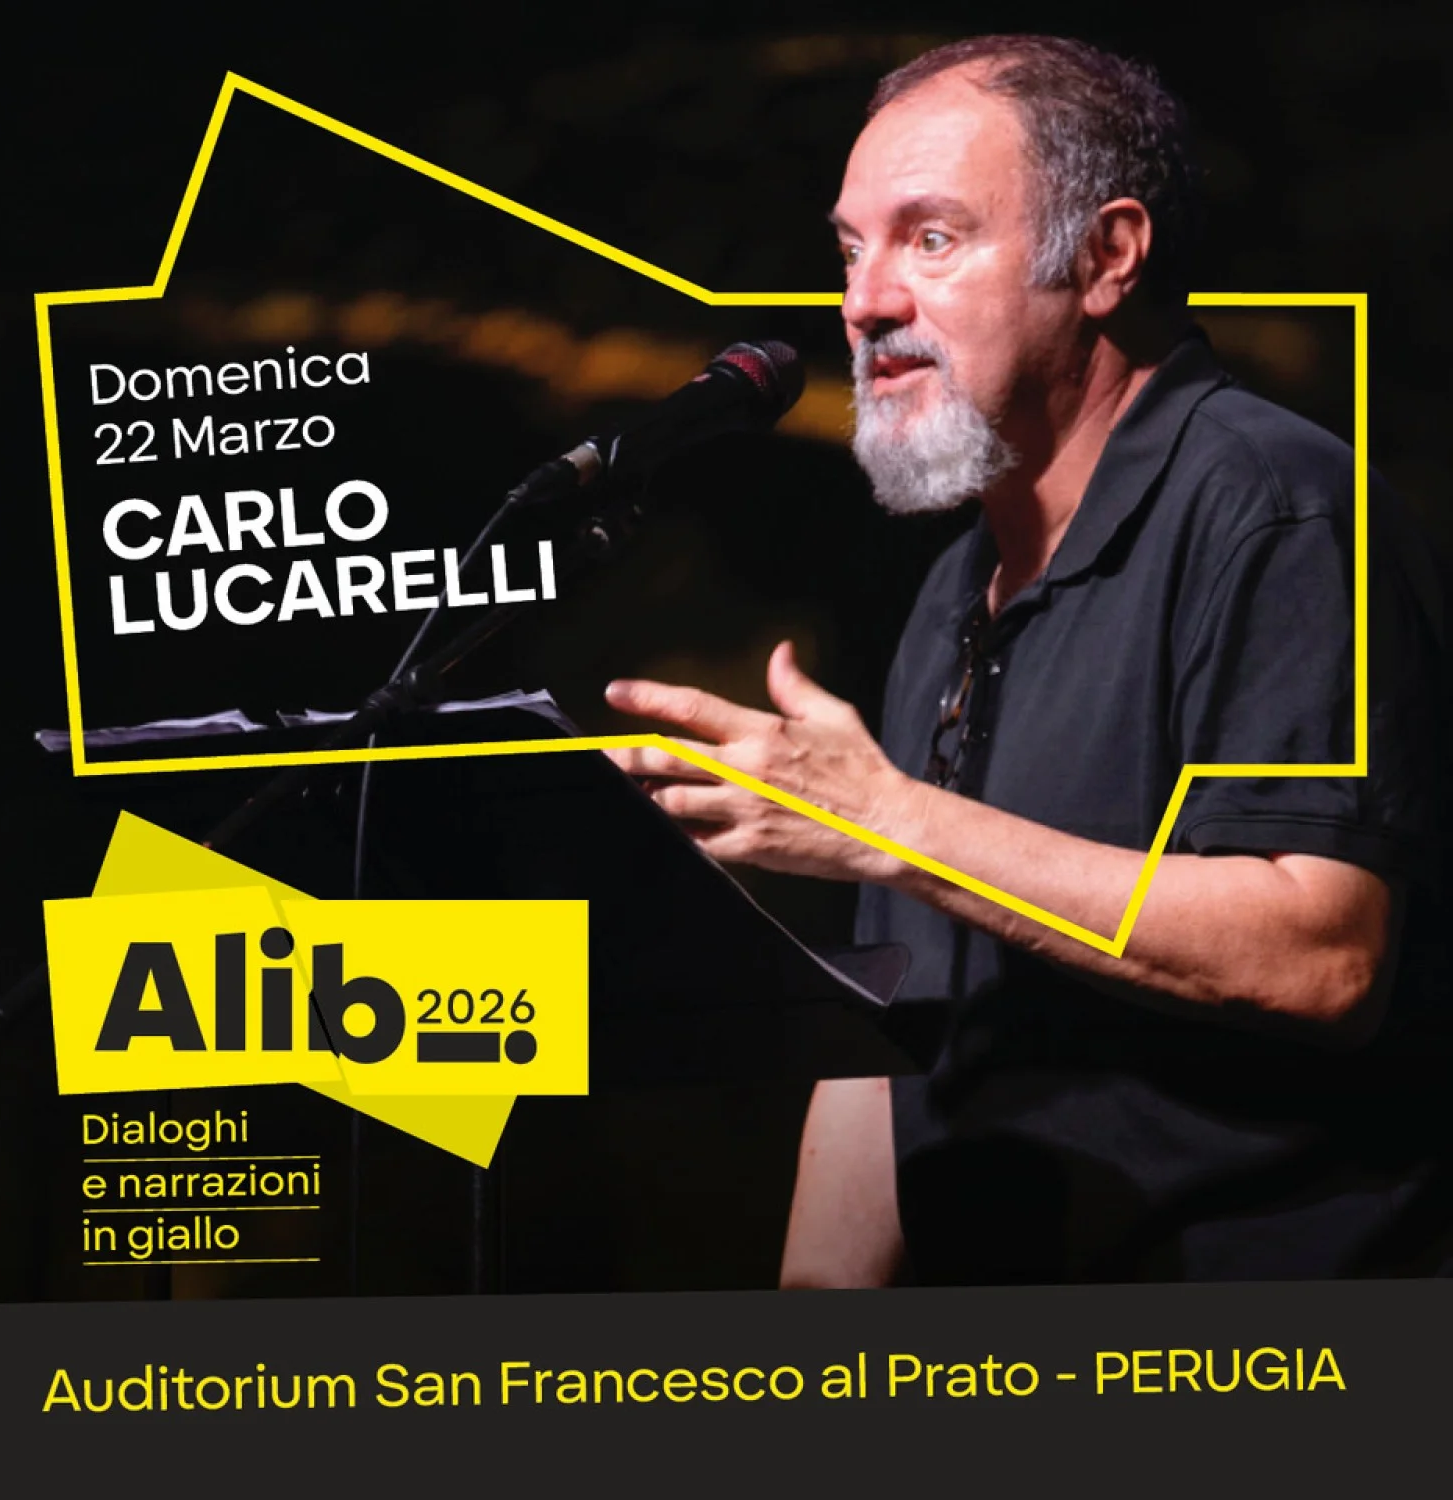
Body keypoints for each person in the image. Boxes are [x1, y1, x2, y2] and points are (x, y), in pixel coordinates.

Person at [604, 34, 1447, 1284]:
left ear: (1107, 258)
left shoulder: (1276, 511)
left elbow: (1323, 952)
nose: (865, 301)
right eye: (851, 250)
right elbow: (893, 1035)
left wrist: (888, 822)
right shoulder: (958, 585)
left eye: (931, 238)